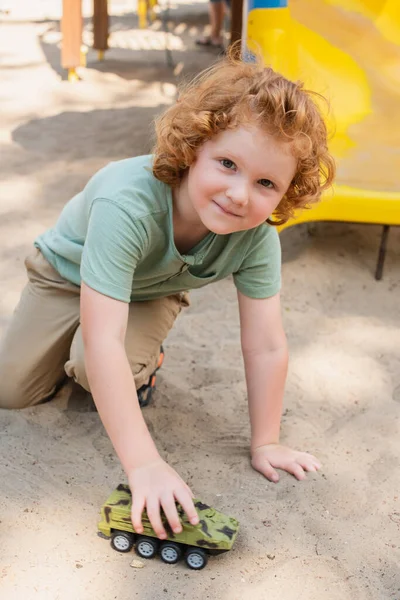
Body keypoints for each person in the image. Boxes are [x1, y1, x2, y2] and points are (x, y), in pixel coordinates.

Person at [0, 48, 335, 540]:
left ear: (285, 194)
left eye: (266, 182)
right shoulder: (127, 205)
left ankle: (145, 364)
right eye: (226, 163)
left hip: (151, 290)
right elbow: (103, 338)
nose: (240, 194)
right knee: (11, 391)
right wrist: (145, 466)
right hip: (66, 276)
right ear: (193, 148)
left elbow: (265, 344)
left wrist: (266, 442)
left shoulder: (257, 239)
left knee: (96, 370)